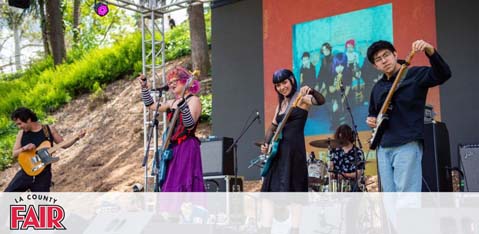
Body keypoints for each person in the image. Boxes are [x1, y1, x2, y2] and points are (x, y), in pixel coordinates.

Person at [366, 40, 452, 192]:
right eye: (378, 59)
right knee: (389, 202)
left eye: (386, 55)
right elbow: (373, 114)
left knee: (407, 199)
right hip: (383, 148)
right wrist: (371, 120)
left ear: (395, 54)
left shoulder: (415, 74)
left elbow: (444, 73)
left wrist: (429, 50)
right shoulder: (377, 88)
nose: (384, 61)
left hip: (407, 144)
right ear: (375, 66)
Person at [138, 66, 205, 192]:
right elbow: (151, 105)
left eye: (176, 80)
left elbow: (189, 124)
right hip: (173, 148)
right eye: (170, 82)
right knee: (170, 182)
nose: (172, 84)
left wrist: (183, 106)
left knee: (184, 180)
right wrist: (144, 88)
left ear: (186, 82)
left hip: (187, 146)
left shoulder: (194, 100)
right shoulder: (171, 102)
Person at [260, 68, 325, 192]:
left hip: (294, 152)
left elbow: (320, 101)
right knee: (269, 195)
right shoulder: (280, 105)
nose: (282, 87)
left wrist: (311, 90)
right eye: (278, 85)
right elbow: (273, 127)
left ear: (292, 81)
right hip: (278, 153)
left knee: (294, 196)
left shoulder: (301, 98)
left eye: (284, 83)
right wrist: (266, 143)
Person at [4, 107, 85, 192]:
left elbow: (64, 145)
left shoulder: (48, 130)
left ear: (28, 119)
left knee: (41, 204)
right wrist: (24, 148)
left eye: (19, 124)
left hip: (43, 177)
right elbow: (14, 154)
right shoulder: (21, 133)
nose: (19, 127)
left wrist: (77, 137)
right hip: (25, 173)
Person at [328, 124, 365, 192]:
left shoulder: (358, 152)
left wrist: (345, 175)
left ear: (349, 136)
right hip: (337, 184)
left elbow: (359, 173)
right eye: (339, 137)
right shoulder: (334, 150)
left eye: (343, 137)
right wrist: (332, 172)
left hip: (352, 184)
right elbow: (331, 166)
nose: (341, 139)